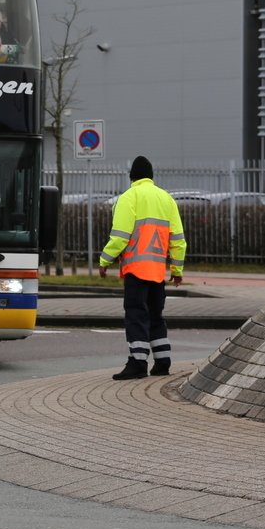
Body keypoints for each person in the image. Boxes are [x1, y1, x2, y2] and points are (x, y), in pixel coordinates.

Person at [98, 156, 187, 380]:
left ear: (132, 177)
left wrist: (105, 260)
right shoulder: (167, 199)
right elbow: (178, 240)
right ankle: (163, 362)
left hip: (136, 270)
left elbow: (120, 236)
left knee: (136, 315)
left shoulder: (129, 197)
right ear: (151, 176)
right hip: (157, 272)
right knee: (156, 315)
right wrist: (176, 271)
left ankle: (138, 363)